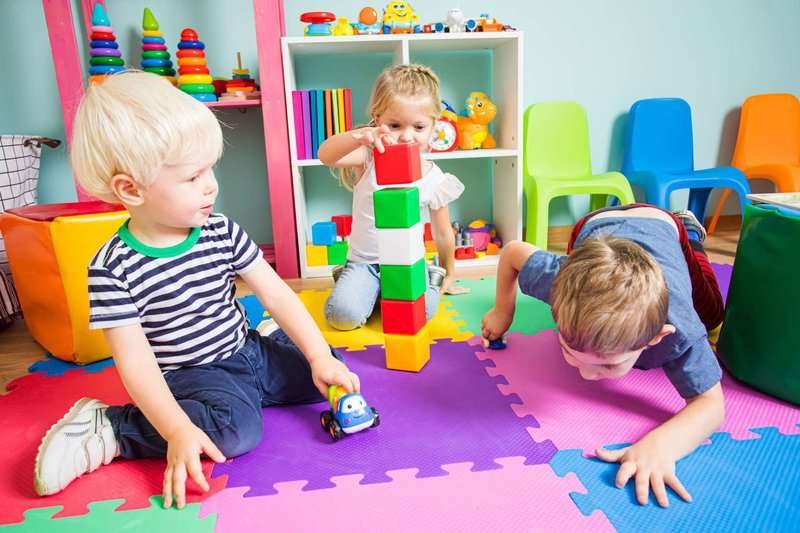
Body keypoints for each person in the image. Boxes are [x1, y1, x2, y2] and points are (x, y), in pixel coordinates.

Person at [33, 71, 360, 509]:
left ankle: (272, 360)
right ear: (130, 189)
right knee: (236, 432)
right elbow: (136, 363)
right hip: (192, 374)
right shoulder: (112, 267)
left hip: (246, 349)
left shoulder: (219, 229)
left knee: (330, 366)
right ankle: (111, 427)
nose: (211, 186)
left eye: (210, 169)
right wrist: (176, 430)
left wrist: (318, 356)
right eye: (192, 177)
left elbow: (278, 295)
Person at [482, 204, 725, 508]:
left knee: (714, 313)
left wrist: (661, 446)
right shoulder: (559, 282)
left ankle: (690, 229)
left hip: (663, 225)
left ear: (655, 338)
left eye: (608, 364)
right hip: (595, 226)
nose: (586, 375)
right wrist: (503, 311)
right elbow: (513, 253)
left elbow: (711, 404)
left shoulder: (681, 331)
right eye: (570, 352)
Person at [318, 64, 468, 331]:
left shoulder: (434, 177)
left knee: (419, 316)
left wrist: (450, 273)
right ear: (377, 120)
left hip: (409, 265)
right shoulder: (368, 158)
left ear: (434, 126)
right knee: (342, 316)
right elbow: (326, 155)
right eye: (394, 125)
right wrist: (358, 137)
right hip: (364, 264)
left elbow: (444, 232)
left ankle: (427, 278)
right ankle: (359, 286)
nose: (406, 136)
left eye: (419, 126)